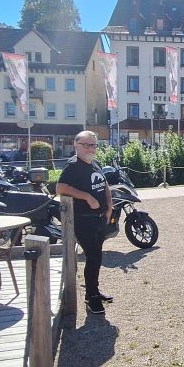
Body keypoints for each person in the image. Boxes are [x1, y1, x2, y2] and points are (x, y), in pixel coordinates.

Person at [55, 130, 114, 314]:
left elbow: (104, 184)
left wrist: (109, 206)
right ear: (76, 145)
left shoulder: (94, 163)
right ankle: (91, 297)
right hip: (84, 221)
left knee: (96, 257)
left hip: (99, 219)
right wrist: (87, 197)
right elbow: (60, 188)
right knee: (94, 257)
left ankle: (94, 291)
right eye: (86, 144)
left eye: (93, 145)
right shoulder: (73, 166)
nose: (90, 148)